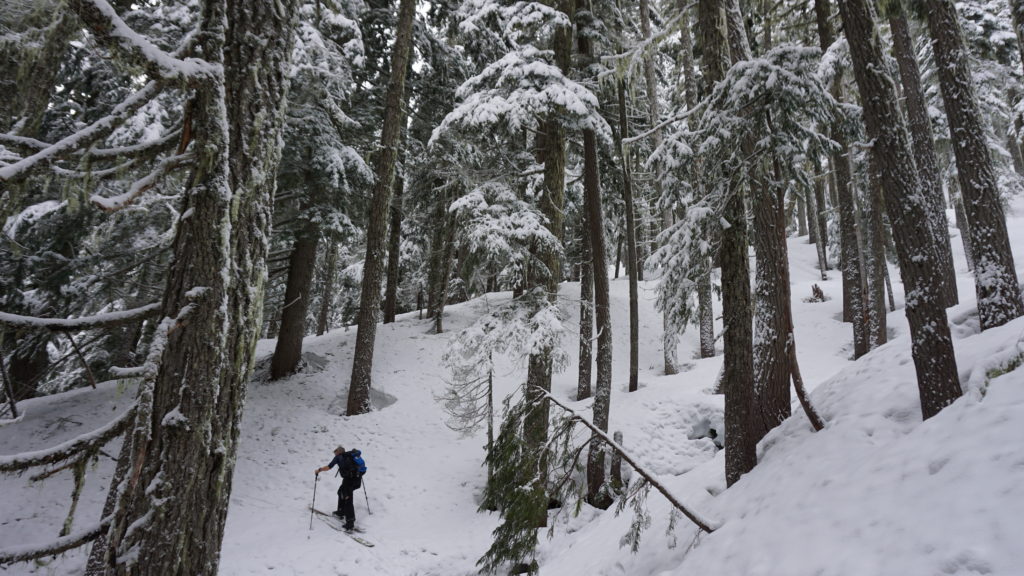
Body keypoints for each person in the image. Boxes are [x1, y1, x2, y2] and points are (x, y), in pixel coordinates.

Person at [316, 445, 362, 530]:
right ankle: (341, 512)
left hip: (349, 480)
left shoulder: (339, 457)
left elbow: (329, 467)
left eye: (335, 451)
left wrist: (319, 470)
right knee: (341, 492)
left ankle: (350, 522)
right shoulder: (350, 456)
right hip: (357, 480)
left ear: (339, 452)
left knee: (348, 498)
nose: (335, 453)